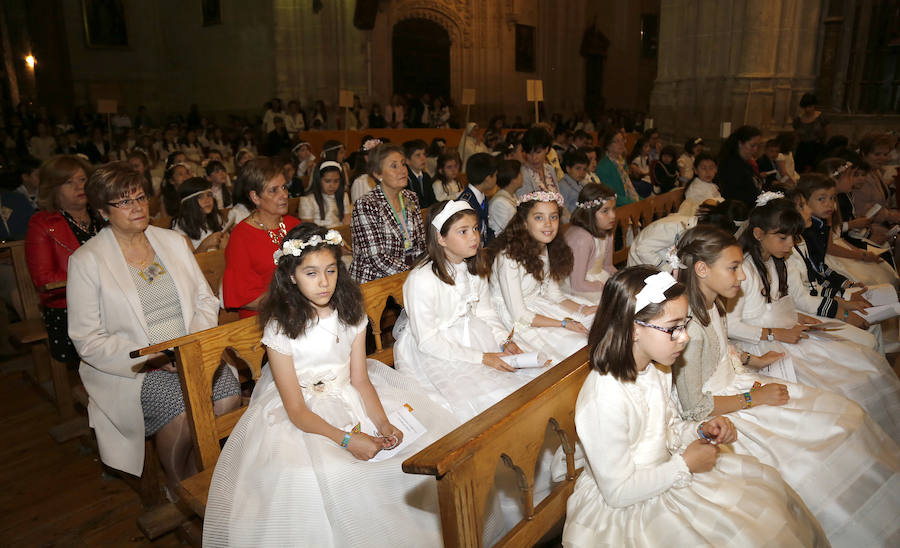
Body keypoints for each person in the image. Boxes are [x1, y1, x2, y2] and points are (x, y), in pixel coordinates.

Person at [202, 223, 462, 547]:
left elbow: (361, 380)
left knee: (418, 446)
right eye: (311, 273)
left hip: (350, 395)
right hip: (304, 418)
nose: (323, 282)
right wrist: (347, 440)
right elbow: (295, 410)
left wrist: (383, 423)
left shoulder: (351, 315)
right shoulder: (281, 327)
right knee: (333, 476)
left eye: (330, 270)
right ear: (291, 275)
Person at [561, 266, 827, 547]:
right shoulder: (605, 396)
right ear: (633, 329)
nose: (684, 337)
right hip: (626, 507)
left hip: (665, 473)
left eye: (685, 325)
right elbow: (618, 492)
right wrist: (684, 464)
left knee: (766, 501)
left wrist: (701, 430)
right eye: (673, 328)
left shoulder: (658, 369)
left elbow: (670, 429)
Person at [672, 224, 900, 543]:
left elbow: (721, 354)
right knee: (810, 461)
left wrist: (754, 362)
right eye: (734, 268)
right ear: (701, 269)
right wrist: (756, 398)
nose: (741, 277)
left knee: (846, 417)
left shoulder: (713, 303)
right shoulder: (689, 329)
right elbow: (693, 406)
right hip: (721, 412)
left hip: (740, 385)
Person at [67, 162, 240, 485]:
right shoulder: (87, 261)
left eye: (141, 197)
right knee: (183, 413)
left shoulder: (171, 241)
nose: (138, 207)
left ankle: (210, 473)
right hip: (135, 367)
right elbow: (87, 339)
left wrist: (188, 344)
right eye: (125, 202)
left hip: (188, 350)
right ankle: (182, 485)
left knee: (228, 397)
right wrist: (155, 356)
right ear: (104, 211)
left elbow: (205, 299)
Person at [728, 196, 900, 440]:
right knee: (837, 388)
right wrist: (775, 333)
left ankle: (877, 432)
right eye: (782, 238)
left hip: (783, 330)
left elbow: (773, 302)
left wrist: (798, 316)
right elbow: (731, 325)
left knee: (865, 367)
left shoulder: (774, 261)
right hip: (760, 343)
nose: (789, 245)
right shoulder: (744, 269)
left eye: (792, 238)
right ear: (758, 234)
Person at [394, 201, 542, 422]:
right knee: (483, 403)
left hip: (474, 336)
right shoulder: (421, 279)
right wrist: (481, 358)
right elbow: (427, 341)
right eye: (463, 231)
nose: (474, 237)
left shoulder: (473, 266)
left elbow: (485, 313)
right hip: (434, 350)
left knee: (533, 381)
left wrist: (504, 340)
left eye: (475, 228)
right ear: (441, 238)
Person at [481, 191, 596, 364]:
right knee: (578, 344)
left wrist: (582, 309)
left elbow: (553, 294)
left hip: (538, 305)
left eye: (554, 217)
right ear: (525, 222)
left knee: (596, 322)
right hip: (518, 320)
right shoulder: (509, 257)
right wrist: (563, 323)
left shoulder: (544, 246)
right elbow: (519, 314)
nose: (548, 224)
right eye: (539, 218)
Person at [25, 155, 101, 363]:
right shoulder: (41, 223)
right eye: (68, 182)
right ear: (53, 189)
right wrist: (97, 278)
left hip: (114, 301)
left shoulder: (103, 215)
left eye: (82, 179)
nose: (79, 186)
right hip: (70, 310)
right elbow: (45, 280)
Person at [223, 157, 300, 318]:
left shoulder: (293, 224)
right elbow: (243, 297)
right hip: (264, 320)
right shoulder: (241, 236)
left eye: (284, 187)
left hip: (299, 311)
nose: (284, 195)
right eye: (274, 190)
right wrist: (292, 305)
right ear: (255, 197)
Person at [350, 143, 426, 283]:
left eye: (403, 164)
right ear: (378, 174)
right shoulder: (367, 205)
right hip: (375, 281)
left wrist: (425, 268)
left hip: (410, 273)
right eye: (394, 166)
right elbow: (376, 258)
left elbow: (420, 243)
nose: (402, 170)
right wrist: (413, 275)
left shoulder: (410, 198)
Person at [628, 200, 749, 268]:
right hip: (640, 267)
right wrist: (664, 268)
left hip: (663, 265)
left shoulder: (695, 229)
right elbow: (642, 249)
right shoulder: (675, 228)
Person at [563, 183, 617, 302]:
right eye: (605, 211)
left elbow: (607, 266)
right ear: (590, 212)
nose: (613, 216)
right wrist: (606, 288)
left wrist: (621, 278)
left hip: (598, 280)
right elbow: (577, 284)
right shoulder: (581, 239)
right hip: (578, 289)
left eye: (613, 209)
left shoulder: (606, 232)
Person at [171, 178, 228, 252]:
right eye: (200, 197)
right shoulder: (181, 225)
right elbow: (188, 259)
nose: (207, 200)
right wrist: (204, 245)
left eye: (209, 195)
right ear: (190, 202)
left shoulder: (215, 217)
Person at [716, 125, 764, 207]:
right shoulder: (730, 164)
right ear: (740, 144)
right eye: (752, 145)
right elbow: (735, 195)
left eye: (758, 146)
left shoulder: (747, 163)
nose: (755, 150)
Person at [457, 153, 497, 246]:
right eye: (495, 175)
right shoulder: (465, 203)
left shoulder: (482, 197)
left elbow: (486, 229)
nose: (496, 179)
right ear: (487, 179)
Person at [298, 161, 351, 228]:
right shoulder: (307, 200)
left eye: (336, 181)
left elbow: (347, 224)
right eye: (327, 181)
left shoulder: (343, 196)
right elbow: (308, 230)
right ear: (318, 180)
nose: (332, 185)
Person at [596, 128, 639, 205]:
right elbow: (610, 196)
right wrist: (634, 202)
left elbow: (629, 188)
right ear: (608, 145)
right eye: (617, 141)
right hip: (616, 207)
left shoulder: (622, 161)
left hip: (629, 202)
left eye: (622, 140)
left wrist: (641, 200)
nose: (621, 144)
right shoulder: (603, 166)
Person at [516, 126, 560, 198]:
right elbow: (525, 205)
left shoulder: (550, 169)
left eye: (538, 152)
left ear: (547, 149)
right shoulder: (522, 174)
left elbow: (559, 196)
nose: (534, 158)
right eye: (529, 153)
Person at [793, 93, 828, 174]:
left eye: (810, 106)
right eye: (805, 107)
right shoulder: (798, 119)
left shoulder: (821, 117)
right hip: (803, 148)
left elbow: (826, 132)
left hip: (817, 147)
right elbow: (796, 135)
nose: (808, 109)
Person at [488, 159, 522, 235]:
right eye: (520, 173)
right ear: (513, 179)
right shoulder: (499, 202)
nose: (522, 175)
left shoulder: (512, 195)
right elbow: (510, 230)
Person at [403, 139, 436, 209]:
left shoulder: (426, 176)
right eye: (418, 155)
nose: (423, 158)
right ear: (407, 161)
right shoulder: (405, 179)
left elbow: (432, 201)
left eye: (424, 154)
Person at [558, 149, 589, 214]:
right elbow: (562, 210)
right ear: (568, 169)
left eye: (584, 169)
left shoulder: (582, 183)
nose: (582, 172)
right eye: (578, 168)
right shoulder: (563, 185)